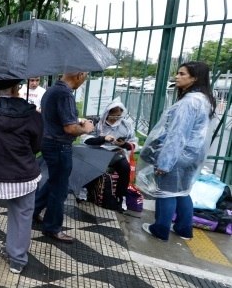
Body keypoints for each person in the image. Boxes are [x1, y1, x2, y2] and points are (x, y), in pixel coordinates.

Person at [140, 62, 216, 241]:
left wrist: (165, 163)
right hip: (193, 155)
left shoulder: (189, 102)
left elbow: (177, 135)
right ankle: (183, 229)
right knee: (182, 191)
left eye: (182, 74)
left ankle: (160, 229)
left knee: (165, 192)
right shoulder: (205, 100)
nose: (177, 76)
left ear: (194, 78)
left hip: (178, 155)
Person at [0, 79, 43, 274]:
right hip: (24, 177)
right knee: (22, 216)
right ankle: (17, 260)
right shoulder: (32, 115)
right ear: (16, 88)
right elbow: (37, 147)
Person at [33, 72, 94, 243]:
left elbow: (57, 120)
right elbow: (69, 128)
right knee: (60, 188)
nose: (85, 79)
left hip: (49, 143)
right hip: (59, 146)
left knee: (54, 182)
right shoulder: (64, 94)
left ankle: (34, 210)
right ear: (79, 75)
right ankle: (52, 228)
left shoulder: (50, 91)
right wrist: (86, 128)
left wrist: (76, 124)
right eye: (86, 75)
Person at [82, 98, 137, 207]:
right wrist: (103, 139)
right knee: (91, 166)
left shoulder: (126, 125)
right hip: (99, 152)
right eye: (113, 116)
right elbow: (86, 139)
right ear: (108, 113)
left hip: (116, 153)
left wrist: (124, 144)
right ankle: (84, 191)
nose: (116, 118)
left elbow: (133, 142)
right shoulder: (98, 123)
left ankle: (121, 196)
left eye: (118, 116)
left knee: (125, 168)